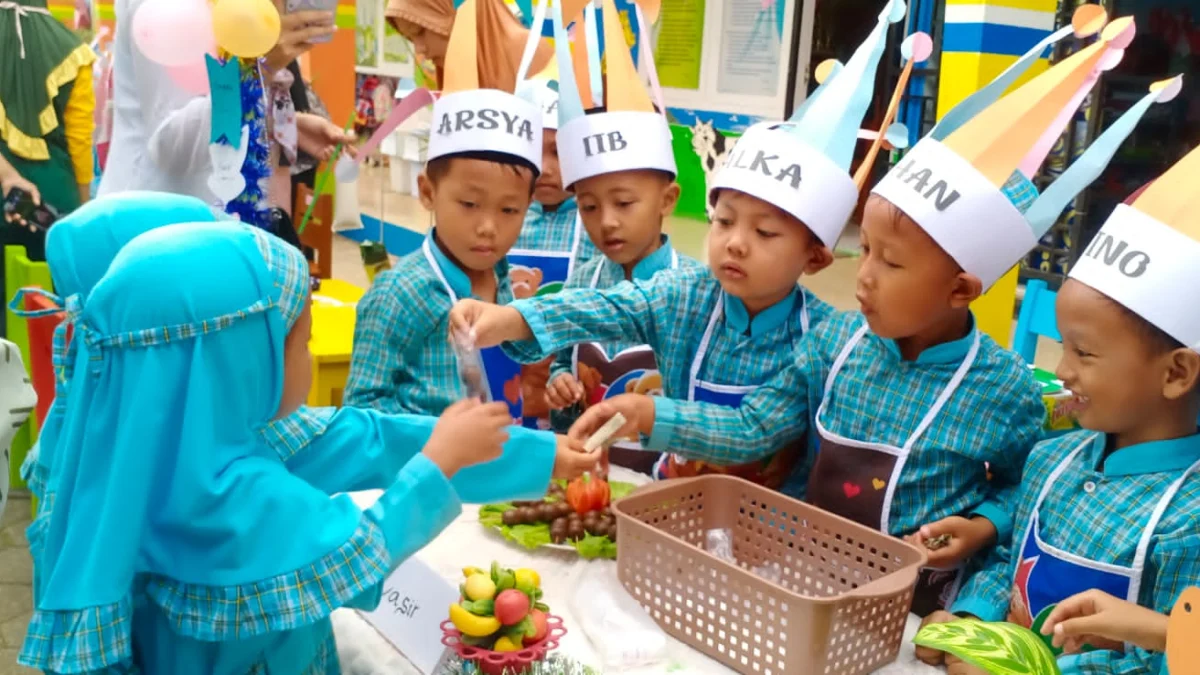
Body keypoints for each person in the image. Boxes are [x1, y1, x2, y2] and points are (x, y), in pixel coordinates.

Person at [554, 8, 1158, 617]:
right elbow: (755, 427)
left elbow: (1021, 491)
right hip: (801, 582)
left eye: (889, 264)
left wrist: (984, 525)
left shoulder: (1002, 389)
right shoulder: (833, 344)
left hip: (914, 611)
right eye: (863, 249)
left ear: (960, 288)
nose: (861, 275)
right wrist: (646, 412)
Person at [17, 221, 584, 674]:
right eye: (302, 342)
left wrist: (538, 456)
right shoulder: (228, 493)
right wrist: (439, 464)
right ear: (241, 359)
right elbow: (362, 550)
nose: (309, 361)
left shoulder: (149, 445)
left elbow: (368, 438)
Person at [450, 0, 905, 486]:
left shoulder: (822, 339)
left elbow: (754, 430)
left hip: (769, 524)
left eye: (765, 232)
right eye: (724, 222)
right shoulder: (685, 294)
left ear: (814, 257)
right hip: (674, 498)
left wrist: (649, 414)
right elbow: (603, 307)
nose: (735, 244)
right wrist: (511, 318)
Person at [919, 142, 1200, 675]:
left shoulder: (1189, 517)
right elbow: (1008, 564)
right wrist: (970, 620)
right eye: (1062, 346)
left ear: (1176, 373)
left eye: (1084, 353)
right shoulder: (1052, 459)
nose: (1062, 370)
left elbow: (1167, 657)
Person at [345, 0, 552, 421]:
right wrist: (434, 442)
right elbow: (361, 411)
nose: (488, 228)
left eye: (510, 210)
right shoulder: (399, 295)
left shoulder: (507, 285)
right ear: (427, 191)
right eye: (469, 204)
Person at [99, 0, 349, 221]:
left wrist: (282, 123)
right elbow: (170, 147)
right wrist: (258, 70)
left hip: (213, 225)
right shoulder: (168, 9)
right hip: (156, 229)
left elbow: (215, 104)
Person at [506, 80, 595, 428]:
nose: (544, 167)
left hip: (567, 384)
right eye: (533, 150)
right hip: (505, 373)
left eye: (558, 152)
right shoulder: (505, 215)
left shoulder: (593, 223)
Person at [385, 0, 552, 89]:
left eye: (420, 31)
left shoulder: (529, 53)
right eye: (411, 39)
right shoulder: (454, 70)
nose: (420, 49)